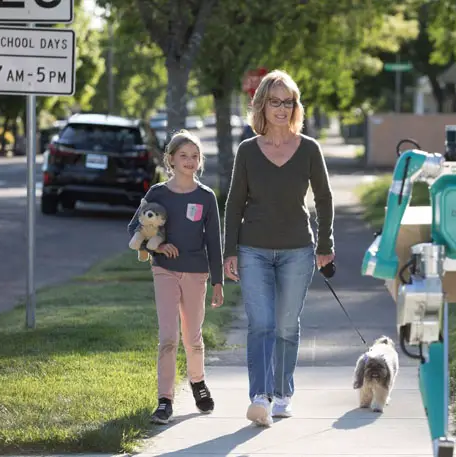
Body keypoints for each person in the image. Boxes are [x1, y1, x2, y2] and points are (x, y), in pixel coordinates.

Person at [223, 70, 335, 426]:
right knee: (262, 324)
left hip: (297, 250)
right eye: (275, 101)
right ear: (262, 105)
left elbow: (324, 197)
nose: (282, 109)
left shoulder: (309, 149)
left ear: (295, 106)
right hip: (253, 249)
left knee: (287, 324)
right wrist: (229, 251)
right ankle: (260, 395)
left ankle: (282, 392)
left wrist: (326, 242)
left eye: (289, 102)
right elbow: (234, 203)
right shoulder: (247, 151)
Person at [127, 129, 224, 425]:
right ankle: (164, 400)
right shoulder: (157, 194)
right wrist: (157, 246)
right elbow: (135, 228)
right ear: (170, 160)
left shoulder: (206, 197)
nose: (190, 161)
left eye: (195, 156)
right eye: (183, 156)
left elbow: (213, 243)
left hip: (197, 273)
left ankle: (198, 382)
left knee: (193, 338)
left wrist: (218, 281)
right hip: (164, 270)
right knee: (168, 337)